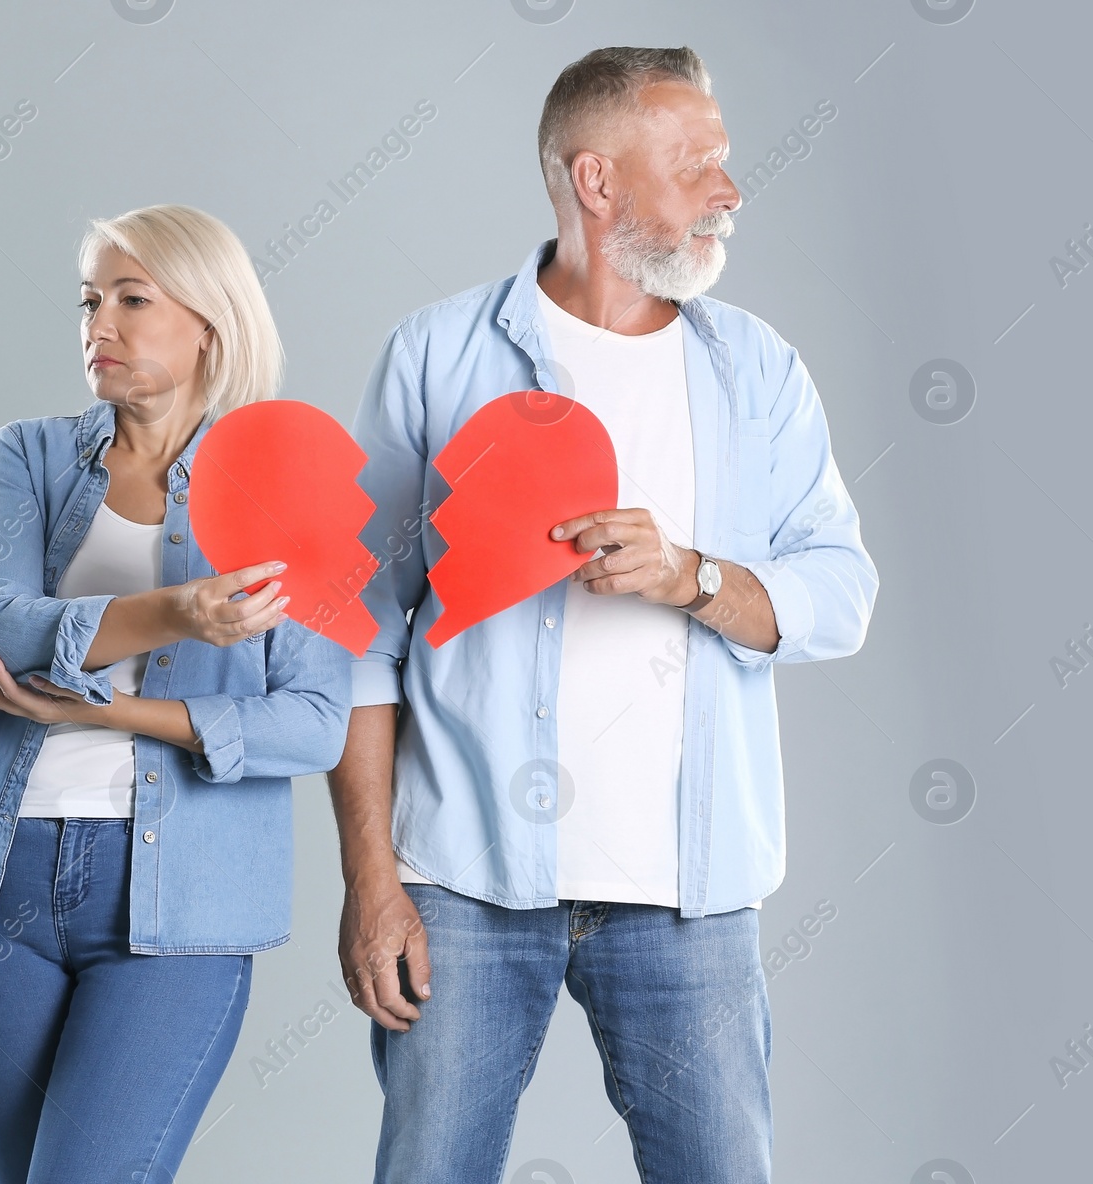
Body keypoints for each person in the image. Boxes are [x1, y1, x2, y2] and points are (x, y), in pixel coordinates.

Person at [328, 47, 879, 1183]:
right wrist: (373, 883)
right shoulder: (437, 356)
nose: (730, 190)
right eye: (697, 165)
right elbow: (359, 638)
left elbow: (843, 591)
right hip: (463, 881)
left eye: (724, 164)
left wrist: (694, 576)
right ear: (596, 181)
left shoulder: (756, 372)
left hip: (691, 895)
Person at [0, 203, 353, 1184]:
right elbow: (3, 626)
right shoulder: (33, 456)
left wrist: (111, 709)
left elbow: (313, 722)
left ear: (209, 321)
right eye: (90, 299)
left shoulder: (288, 481)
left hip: (180, 905)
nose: (98, 324)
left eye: (132, 298)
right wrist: (176, 612)